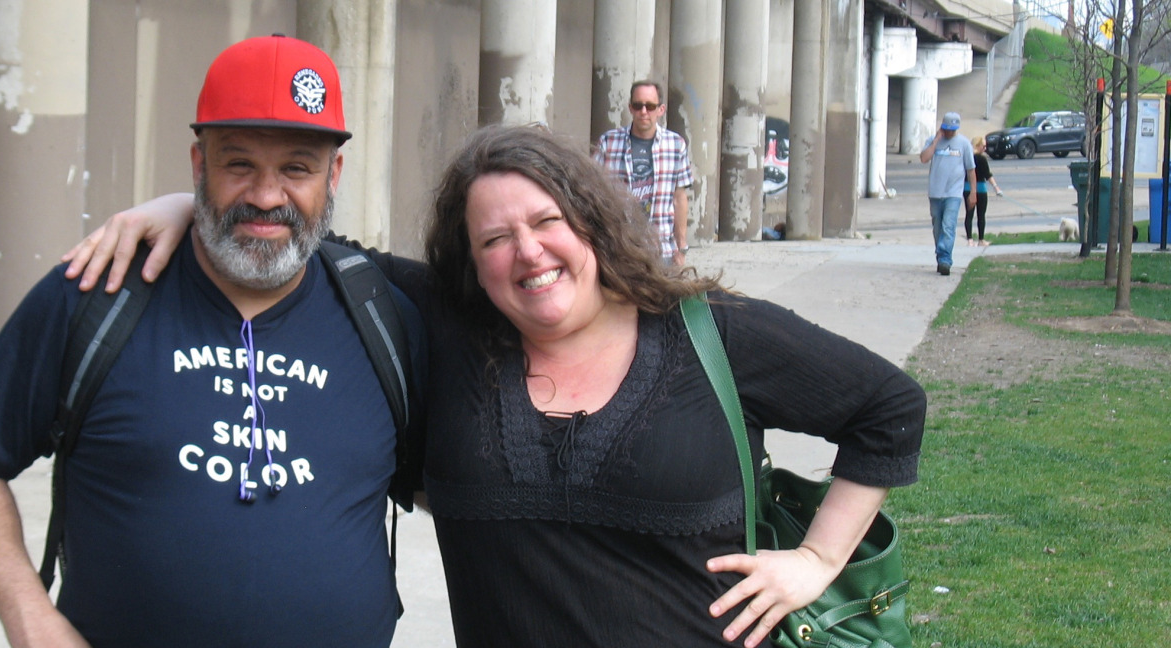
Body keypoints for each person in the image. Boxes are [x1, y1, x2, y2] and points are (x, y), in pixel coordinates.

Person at [68, 124, 926, 648]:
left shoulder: (709, 335)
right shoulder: (449, 326)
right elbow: (307, 242)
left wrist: (816, 561)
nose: (529, 253)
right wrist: (185, 207)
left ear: (593, 224)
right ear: (470, 264)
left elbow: (888, 408)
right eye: (495, 240)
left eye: (548, 221)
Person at [0, 35, 426, 648]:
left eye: (296, 168)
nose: (266, 196)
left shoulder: (383, 318)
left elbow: (458, 485)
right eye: (238, 164)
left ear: (333, 175)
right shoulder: (97, 294)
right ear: (198, 165)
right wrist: (31, 618)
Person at [594, 80, 693, 264]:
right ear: (630, 108)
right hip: (619, 248)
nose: (644, 112)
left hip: (662, 250)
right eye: (638, 106)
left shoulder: (675, 145)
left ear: (661, 109)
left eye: (650, 106)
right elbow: (593, 192)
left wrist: (681, 248)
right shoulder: (608, 142)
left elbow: (679, 199)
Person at [919, 110, 977, 276]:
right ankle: (940, 256)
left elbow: (971, 170)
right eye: (947, 129)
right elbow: (924, 158)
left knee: (948, 225)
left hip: (954, 193)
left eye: (952, 130)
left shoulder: (964, 144)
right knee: (938, 227)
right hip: (935, 192)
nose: (950, 133)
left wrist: (973, 192)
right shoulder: (933, 141)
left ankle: (945, 259)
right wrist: (936, 140)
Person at [964, 135, 1002, 246]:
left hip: (967, 188)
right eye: (983, 146)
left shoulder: (967, 157)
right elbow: (987, 175)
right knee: (981, 215)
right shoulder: (982, 159)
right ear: (977, 146)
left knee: (969, 214)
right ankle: (981, 240)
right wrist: (996, 187)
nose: (985, 149)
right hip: (980, 188)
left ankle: (970, 240)